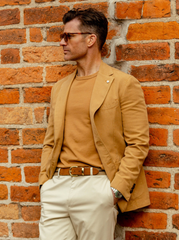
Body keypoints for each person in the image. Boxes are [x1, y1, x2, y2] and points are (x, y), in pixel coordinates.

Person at [39, 8, 150, 240]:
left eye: (68, 36)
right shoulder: (60, 87)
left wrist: (115, 190)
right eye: (62, 36)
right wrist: (45, 183)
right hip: (57, 187)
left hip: (97, 187)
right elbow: (50, 140)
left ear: (91, 39)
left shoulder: (123, 84)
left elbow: (138, 143)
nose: (62, 42)